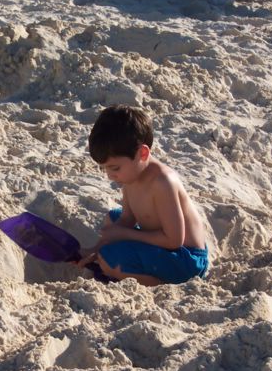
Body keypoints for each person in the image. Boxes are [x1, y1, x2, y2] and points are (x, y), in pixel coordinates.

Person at [76, 105, 209, 286]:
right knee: (112, 219)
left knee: (110, 259)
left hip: (186, 260)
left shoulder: (163, 182)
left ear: (142, 153)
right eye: (105, 168)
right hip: (162, 245)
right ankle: (117, 268)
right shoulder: (131, 176)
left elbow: (174, 240)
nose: (109, 175)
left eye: (115, 168)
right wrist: (95, 249)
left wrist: (124, 234)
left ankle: (155, 283)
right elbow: (127, 218)